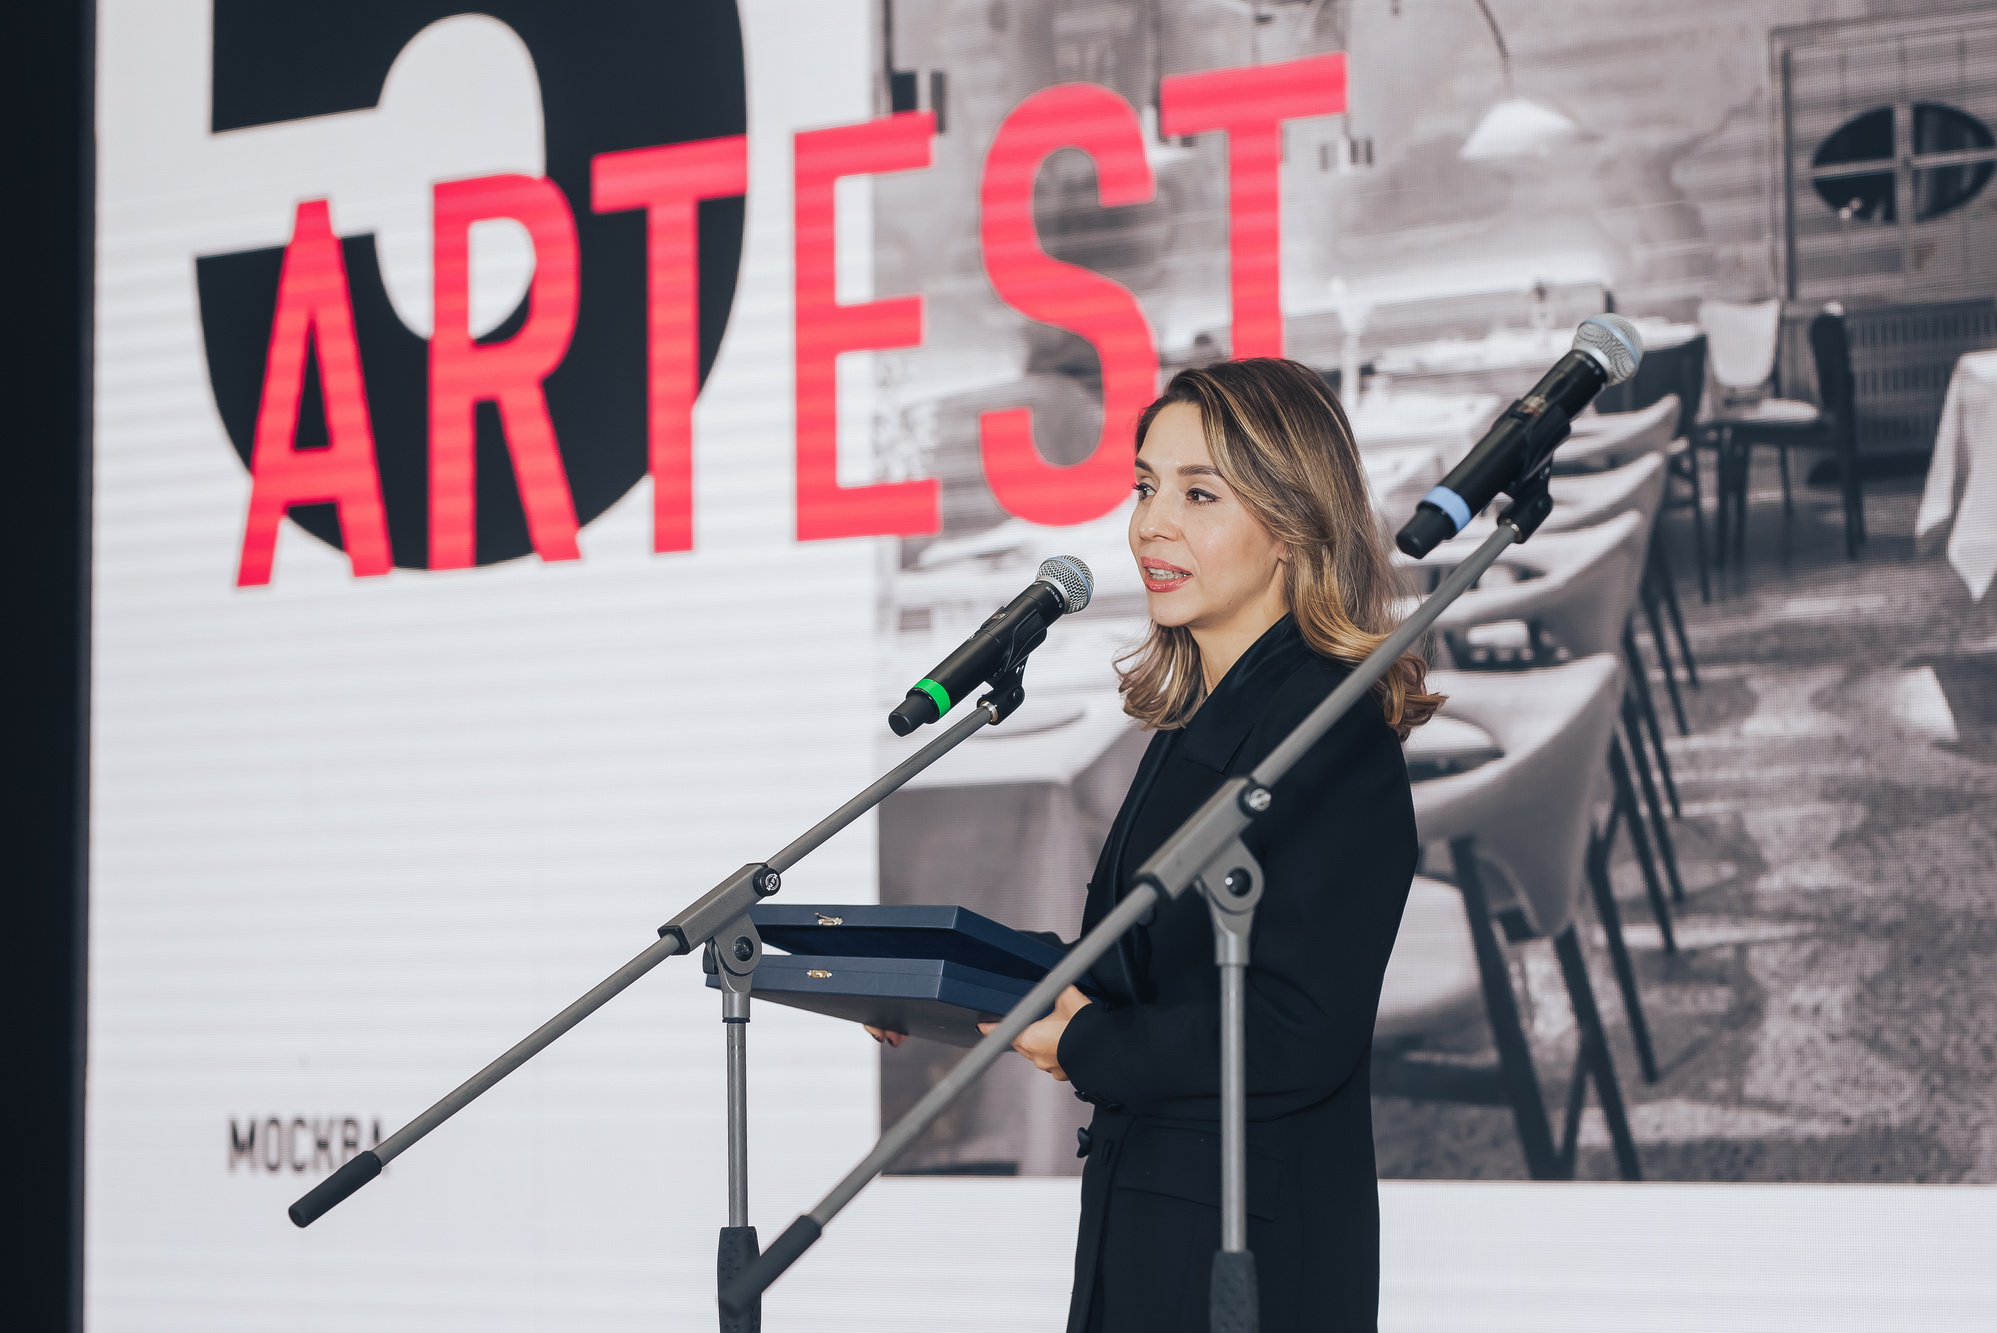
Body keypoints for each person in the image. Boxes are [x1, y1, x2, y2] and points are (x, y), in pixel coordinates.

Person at [871, 357, 1436, 1331]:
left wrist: (1083, 1041)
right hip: (1154, 1211)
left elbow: (1300, 1028)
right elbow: (1140, 967)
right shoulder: (1203, 721)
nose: (1149, 525)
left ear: (1292, 524)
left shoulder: (1324, 731)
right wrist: (949, 978)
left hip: (1248, 1246)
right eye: (1144, 487)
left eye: (1197, 494)